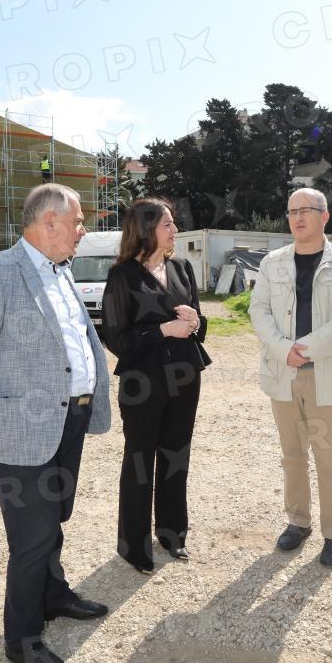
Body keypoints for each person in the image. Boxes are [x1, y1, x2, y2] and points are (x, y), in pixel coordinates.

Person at [0, 184, 111, 663]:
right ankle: (21, 638)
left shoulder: (62, 271)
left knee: (55, 517)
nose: (83, 230)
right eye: (77, 221)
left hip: (69, 420)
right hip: (20, 429)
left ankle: (53, 594)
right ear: (49, 222)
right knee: (31, 537)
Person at [102, 197, 210, 574]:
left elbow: (199, 327)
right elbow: (116, 338)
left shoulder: (182, 268)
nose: (175, 229)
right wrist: (163, 329)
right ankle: (133, 546)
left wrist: (195, 322)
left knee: (176, 455)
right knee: (140, 460)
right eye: (168, 224)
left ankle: (172, 534)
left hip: (185, 377)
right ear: (147, 229)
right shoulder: (122, 276)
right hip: (142, 382)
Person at [249, 188, 332, 567]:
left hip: (326, 375)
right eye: (292, 212)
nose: (298, 218)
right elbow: (259, 311)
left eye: (306, 210)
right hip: (284, 375)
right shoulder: (272, 263)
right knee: (292, 454)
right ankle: (298, 522)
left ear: (325, 216)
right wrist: (283, 349)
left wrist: (305, 348)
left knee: (330, 458)